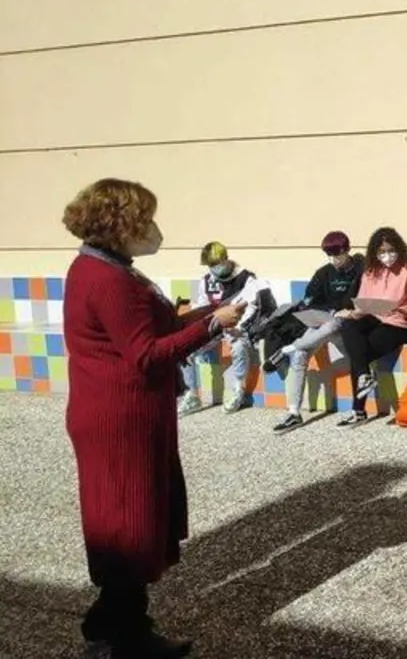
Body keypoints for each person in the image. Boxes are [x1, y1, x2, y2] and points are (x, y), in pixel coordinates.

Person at [62, 178, 245, 657]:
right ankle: (121, 637)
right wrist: (210, 326)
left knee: (131, 523)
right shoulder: (108, 279)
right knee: (127, 528)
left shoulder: (104, 268)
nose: (155, 229)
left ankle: (114, 627)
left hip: (122, 415)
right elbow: (146, 354)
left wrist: (210, 312)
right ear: (122, 225)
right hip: (119, 420)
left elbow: (152, 328)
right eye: (147, 220)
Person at [336, 227, 407, 426]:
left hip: (398, 323)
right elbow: (362, 300)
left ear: (399, 249)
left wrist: (405, 311)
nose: (386, 256)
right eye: (382, 252)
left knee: (360, 353)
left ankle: (358, 409)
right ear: (375, 253)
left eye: (390, 250)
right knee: (349, 327)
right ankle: (364, 377)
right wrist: (355, 311)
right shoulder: (370, 272)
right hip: (372, 316)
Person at [272, 231, 364, 432]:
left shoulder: (361, 269)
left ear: (347, 250)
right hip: (323, 324)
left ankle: (287, 349)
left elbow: (359, 298)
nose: (334, 260)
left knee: (334, 324)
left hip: (348, 326)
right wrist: (326, 310)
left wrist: (341, 311)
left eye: (337, 255)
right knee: (300, 355)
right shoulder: (324, 273)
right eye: (329, 256)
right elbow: (310, 298)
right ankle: (293, 412)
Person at [177, 242, 269, 415]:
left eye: (215, 264)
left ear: (225, 259)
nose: (213, 269)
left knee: (239, 346)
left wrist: (240, 327)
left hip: (238, 326)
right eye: (210, 265)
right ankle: (192, 394)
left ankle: (238, 390)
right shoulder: (206, 281)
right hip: (215, 326)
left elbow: (253, 307)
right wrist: (199, 327)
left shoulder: (246, 278)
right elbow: (202, 307)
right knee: (185, 349)